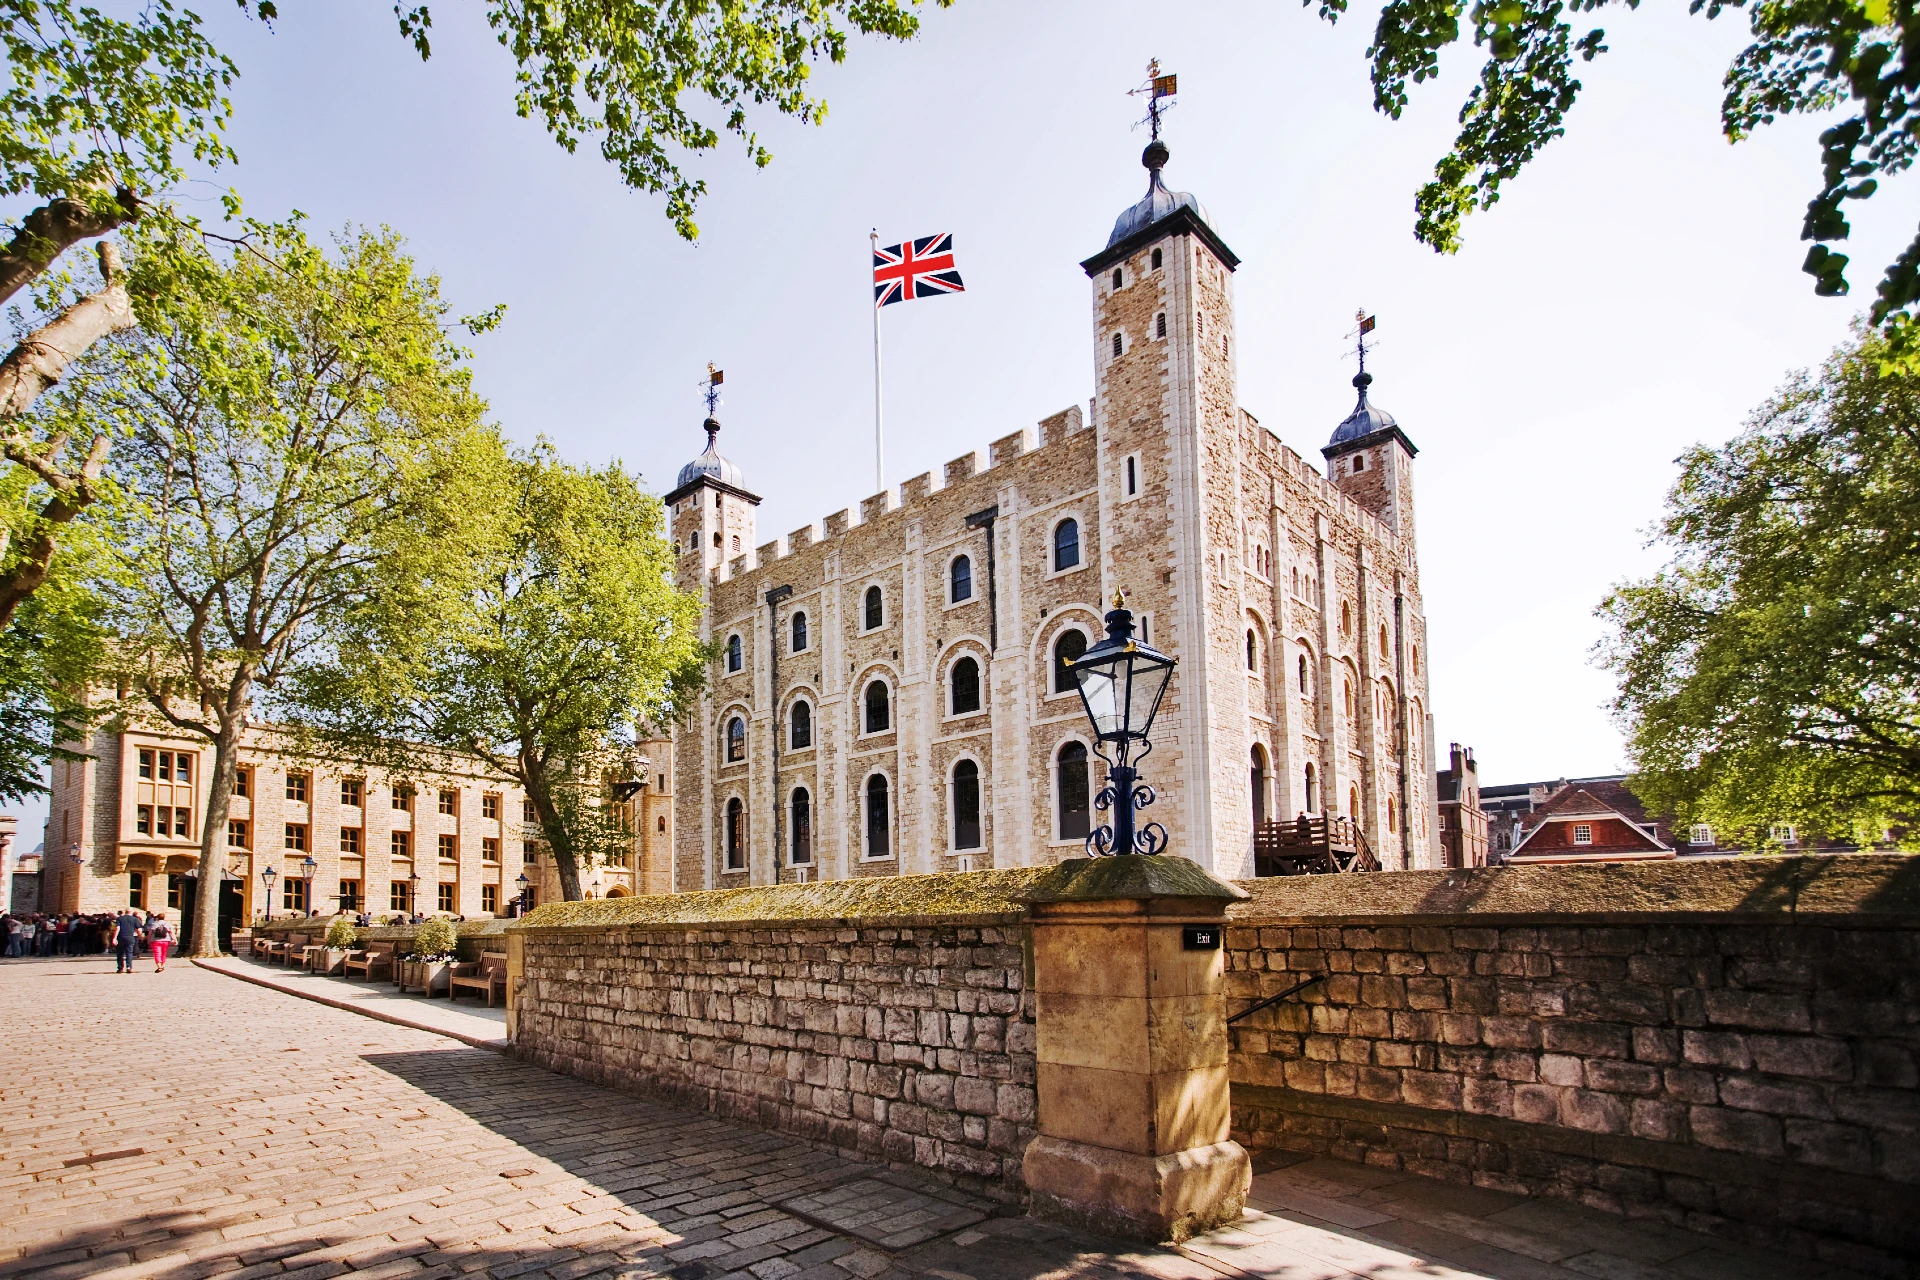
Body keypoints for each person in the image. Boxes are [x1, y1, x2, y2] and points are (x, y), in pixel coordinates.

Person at [112, 908, 143, 974]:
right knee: (129, 952)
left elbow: (117, 928)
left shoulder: (120, 918)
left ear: (125, 912)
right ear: (131, 912)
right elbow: (139, 929)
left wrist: (114, 938)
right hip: (130, 937)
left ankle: (120, 968)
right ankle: (129, 967)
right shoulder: (135, 919)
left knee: (120, 953)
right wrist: (140, 936)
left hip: (121, 937)